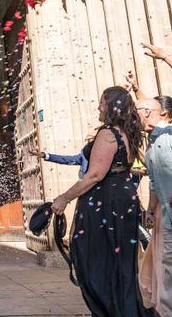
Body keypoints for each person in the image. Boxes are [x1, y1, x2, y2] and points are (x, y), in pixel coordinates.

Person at [51, 86, 150, 316]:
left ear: (112, 106)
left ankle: (111, 309)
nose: (98, 106)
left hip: (107, 202)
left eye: (102, 102)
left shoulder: (108, 134)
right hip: (123, 199)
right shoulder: (128, 132)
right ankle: (123, 309)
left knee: (94, 257)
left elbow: (95, 174)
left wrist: (64, 197)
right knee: (120, 260)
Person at [137, 98, 172, 315]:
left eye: (136, 111)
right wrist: (150, 211)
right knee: (165, 267)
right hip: (165, 216)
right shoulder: (151, 145)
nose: (133, 116)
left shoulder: (169, 136)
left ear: (148, 112)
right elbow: (153, 181)